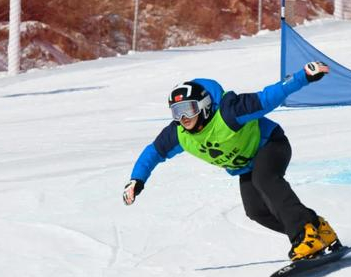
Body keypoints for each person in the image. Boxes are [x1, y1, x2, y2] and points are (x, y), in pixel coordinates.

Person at [123, 61, 339, 261]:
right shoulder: (179, 134)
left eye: (188, 109)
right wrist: (136, 180)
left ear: (204, 105)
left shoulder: (229, 112)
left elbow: (268, 97)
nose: (183, 118)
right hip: (246, 166)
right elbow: (153, 152)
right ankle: (316, 228)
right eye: (177, 112)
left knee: (264, 179)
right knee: (255, 211)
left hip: (271, 145)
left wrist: (304, 76)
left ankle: (303, 235)